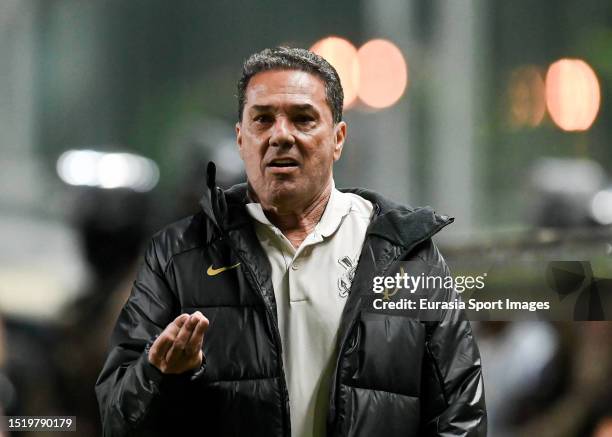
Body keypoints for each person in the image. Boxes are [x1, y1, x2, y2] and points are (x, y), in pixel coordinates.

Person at [95, 47, 487, 436]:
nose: (280, 135)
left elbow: (460, 418)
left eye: (302, 119)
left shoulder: (409, 256)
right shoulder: (176, 255)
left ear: (338, 138)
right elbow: (117, 418)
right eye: (263, 120)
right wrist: (161, 373)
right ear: (241, 139)